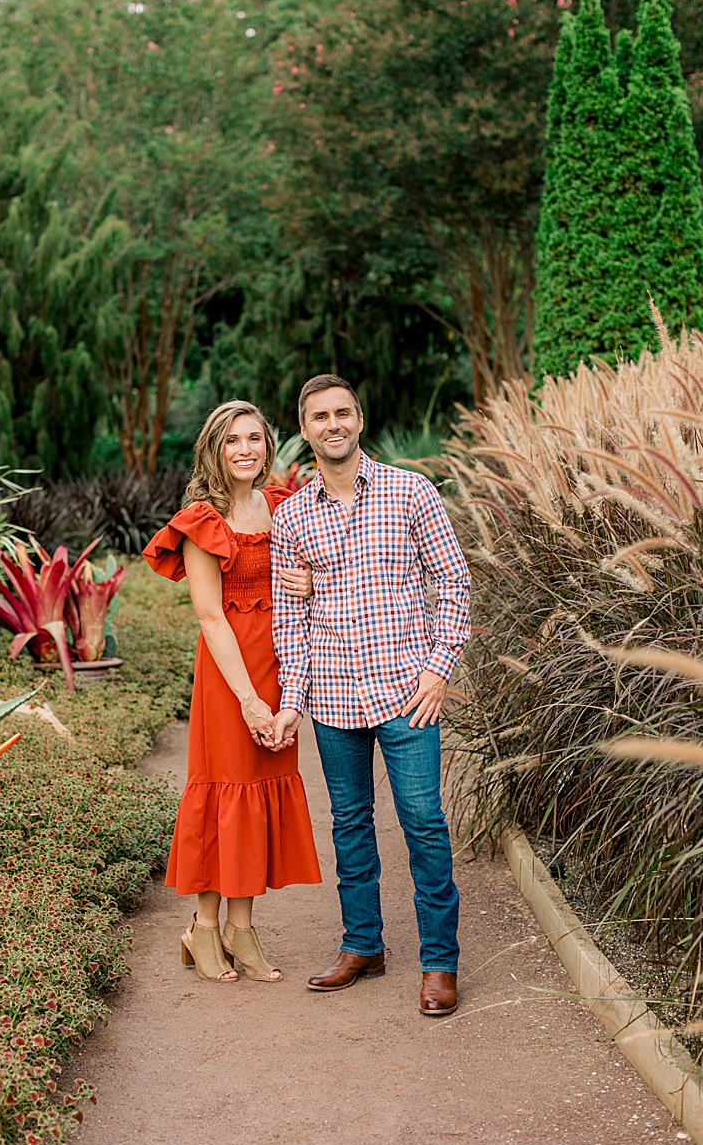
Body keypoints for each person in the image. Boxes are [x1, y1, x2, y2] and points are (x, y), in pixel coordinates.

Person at [268, 373, 472, 1017]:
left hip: (408, 693)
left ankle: (439, 962)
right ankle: (364, 945)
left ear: (360, 419)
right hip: (332, 697)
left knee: (423, 822)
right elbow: (287, 623)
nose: (333, 425)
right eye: (319, 417)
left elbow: (455, 584)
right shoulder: (293, 516)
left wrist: (438, 670)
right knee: (350, 826)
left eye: (343, 413)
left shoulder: (411, 492)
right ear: (305, 431)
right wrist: (293, 702)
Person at [144, 399, 322, 984]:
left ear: (268, 446)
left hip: (280, 665)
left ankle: (241, 928)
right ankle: (202, 925)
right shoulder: (201, 520)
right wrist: (248, 698)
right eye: (232, 441)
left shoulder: (283, 507)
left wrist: (304, 579)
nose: (246, 449)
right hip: (230, 675)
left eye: (255, 438)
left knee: (261, 786)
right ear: (214, 451)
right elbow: (210, 617)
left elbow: (313, 575)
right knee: (226, 788)